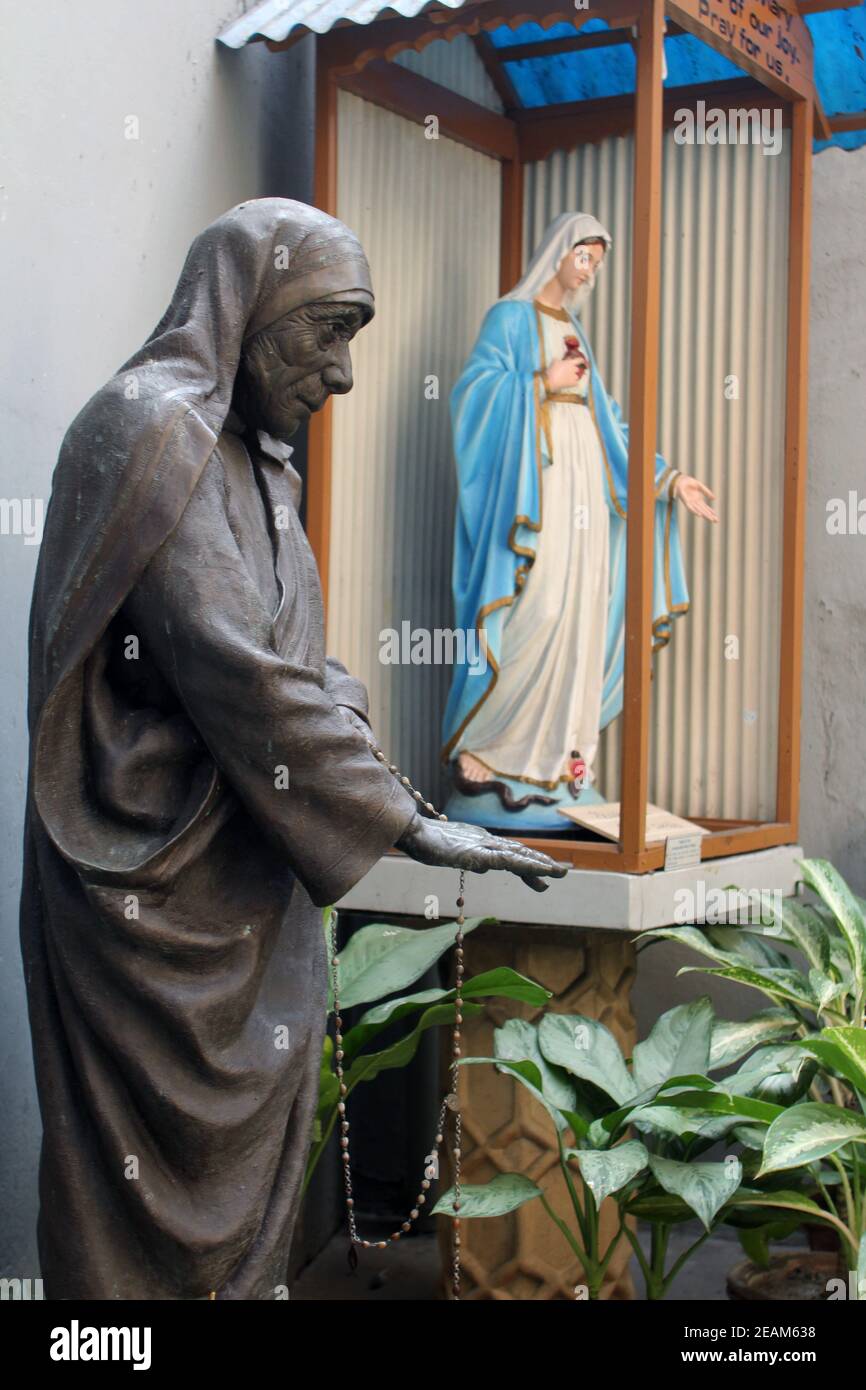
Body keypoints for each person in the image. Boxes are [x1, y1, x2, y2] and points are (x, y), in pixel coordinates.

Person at [20, 198, 564, 1300]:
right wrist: (408, 819)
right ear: (247, 303)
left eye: (356, 335)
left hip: (251, 886)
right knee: (129, 1214)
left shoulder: (263, 468)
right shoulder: (148, 429)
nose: (345, 372)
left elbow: (308, 671)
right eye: (327, 329)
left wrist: (386, 781)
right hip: (147, 901)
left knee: (249, 1207)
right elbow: (238, 672)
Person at [442, 212, 718, 831]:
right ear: (558, 254)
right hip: (531, 487)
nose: (589, 270)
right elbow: (473, 396)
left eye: (597, 260)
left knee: (578, 616)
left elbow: (610, 422)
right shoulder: (509, 319)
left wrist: (670, 479)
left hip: (584, 488)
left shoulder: (576, 331)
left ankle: (562, 761)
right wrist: (541, 382)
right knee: (533, 606)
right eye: (584, 256)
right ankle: (486, 749)